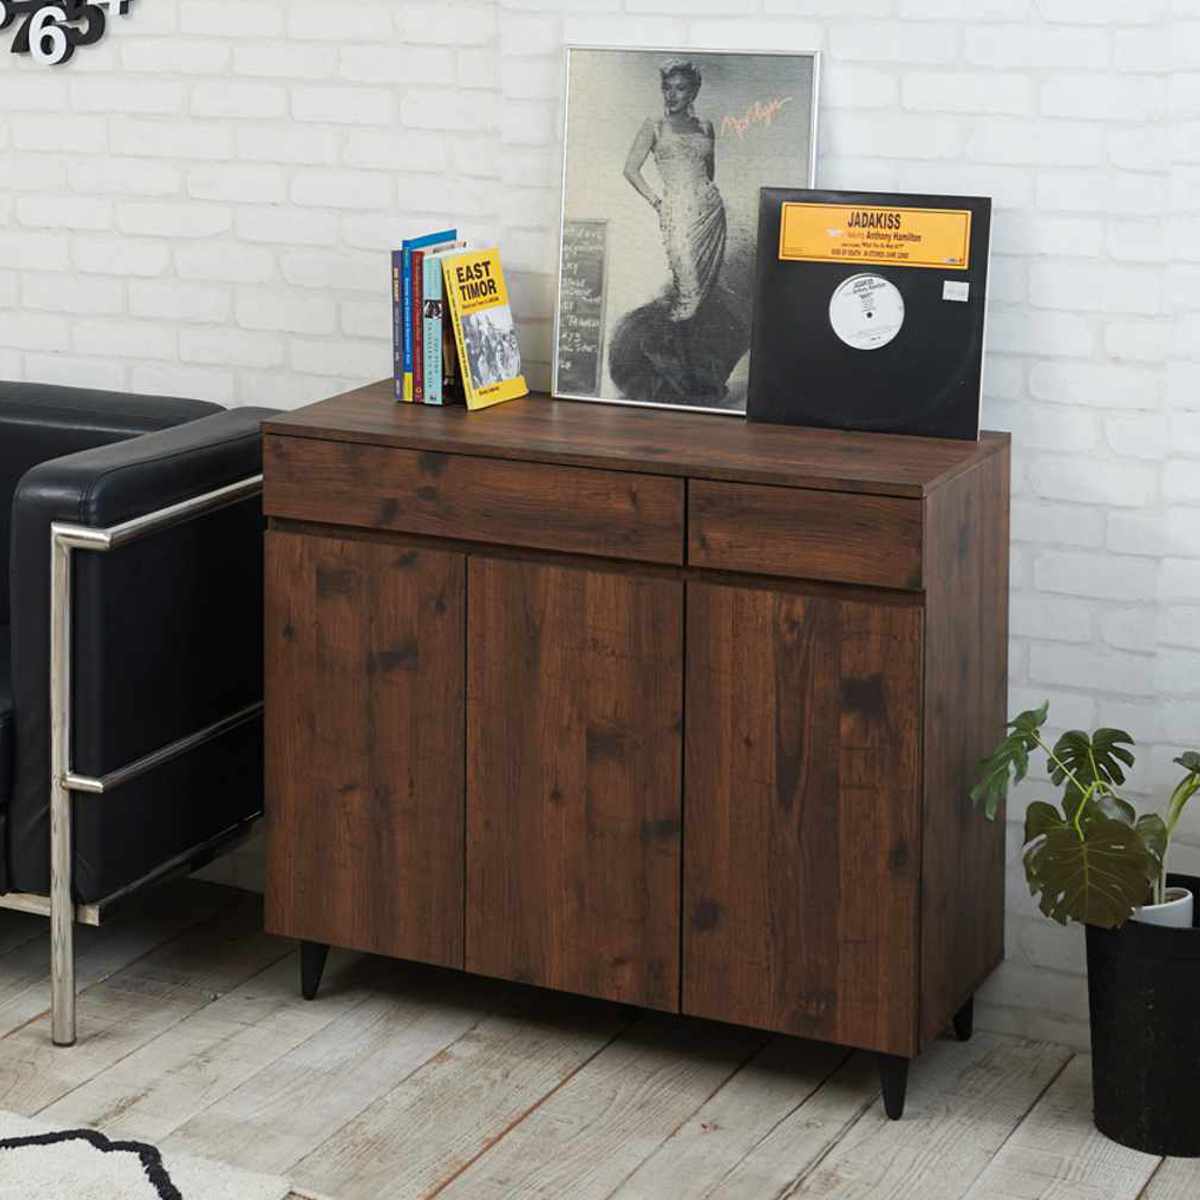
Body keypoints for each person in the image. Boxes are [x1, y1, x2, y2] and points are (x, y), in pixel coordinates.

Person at [622, 59, 727, 323]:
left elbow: (709, 170)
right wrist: (657, 203)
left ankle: (696, 342)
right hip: (677, 211)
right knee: (688, 290)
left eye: (680, 88)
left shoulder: (706, 126)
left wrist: (704, 198)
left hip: (710, 212)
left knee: (706, 294)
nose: (671, 94)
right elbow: (630, 169)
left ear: (693, 92)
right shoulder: (654, 125)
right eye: (667, 87)